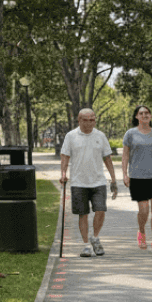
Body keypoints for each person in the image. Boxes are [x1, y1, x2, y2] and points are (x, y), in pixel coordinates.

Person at [59, 108, 119, 258]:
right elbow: (65, 156)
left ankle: (95, 237)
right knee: (83, 214)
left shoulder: (100, 136)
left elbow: (107, 158)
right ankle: (86, 245)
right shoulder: (71, 136)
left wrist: (113, 178)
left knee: (100, 210)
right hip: (78, 182)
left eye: (93, 119)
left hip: (98, 181)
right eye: (87, 120)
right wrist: (63, 173)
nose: (91, 122)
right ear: (80, 120)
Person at [122, 106, 152, 254]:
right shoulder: (130, 134)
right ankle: (141, 232)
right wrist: (124, 174)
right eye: (141, 113)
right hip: (137, 176)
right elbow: (125, 156)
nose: (144, 115)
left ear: (150, 116)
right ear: (136, 117)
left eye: (147, 113)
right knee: (144, 210)